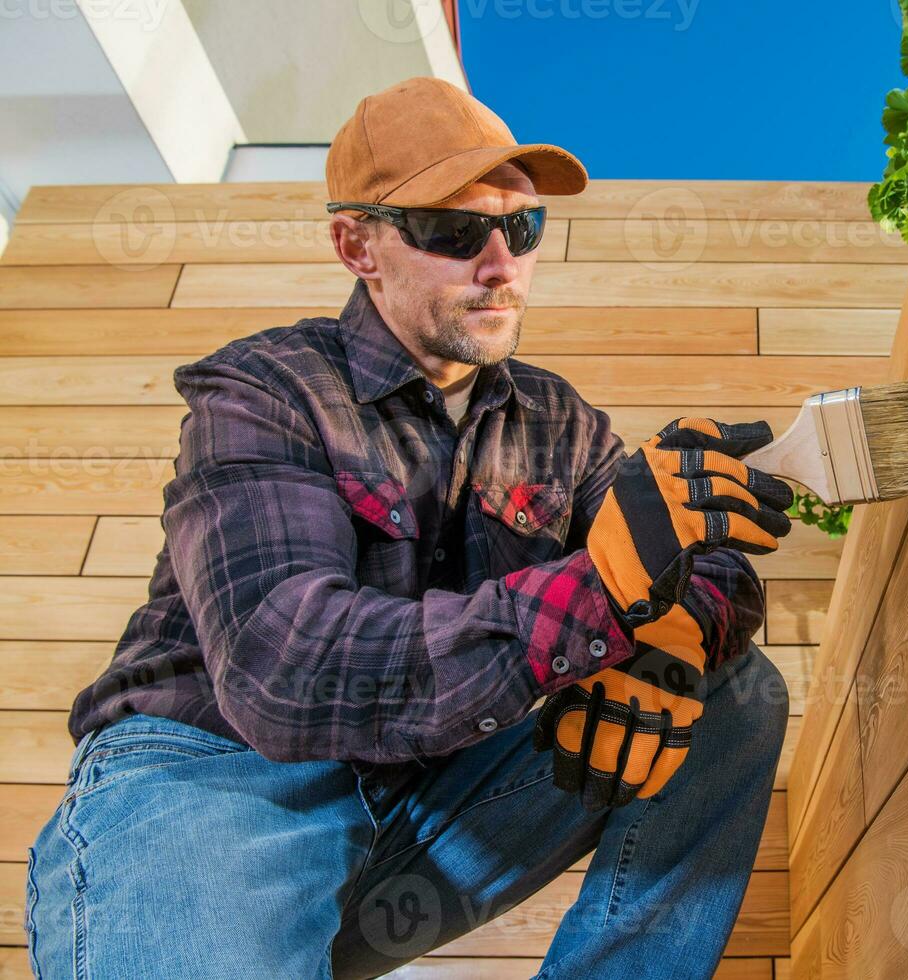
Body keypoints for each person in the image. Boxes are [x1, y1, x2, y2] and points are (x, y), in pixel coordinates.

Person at [25, 76, 794, 980]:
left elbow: (704, 572)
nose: (501, 264)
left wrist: (673, 627)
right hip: (215, 780)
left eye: (523, 227)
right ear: (358, 245)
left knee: (734, 693)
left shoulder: (560, 423)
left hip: (422, 806)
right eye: (454, 231)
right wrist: (602, 589)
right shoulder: (267, 390)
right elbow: (284, 666)